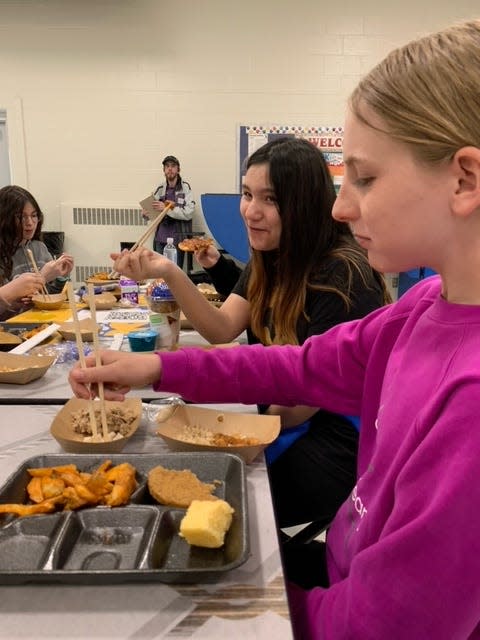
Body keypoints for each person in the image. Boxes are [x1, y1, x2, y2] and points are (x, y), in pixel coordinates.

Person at [70, 19, 480, 637]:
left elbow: (376, 626)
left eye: (366, 178)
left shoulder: (469, 397)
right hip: (341, 570)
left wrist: (238, 601)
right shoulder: (420, 307)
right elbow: (292, 365)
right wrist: (155, 367)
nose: (343, 207)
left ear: (464, 179)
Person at [81, 137, 389, 532]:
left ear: (306, 204)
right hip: (282, 410)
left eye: (270, 199)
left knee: (209, 496)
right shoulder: (270, 256)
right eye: (246, 194)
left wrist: (231, 426)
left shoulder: (343, 274)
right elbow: (221, 327)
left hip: (336, 439)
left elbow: (301, 403)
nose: (251, 211)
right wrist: (170, 272)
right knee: (170, 466)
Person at [0, 185, 74, 300]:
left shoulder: (39, 248)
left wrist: (61, 276)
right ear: (5, 219)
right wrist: (42, 277)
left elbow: (51, 296)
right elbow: (6, 308)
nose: (30, 222)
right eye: (21, 217)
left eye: (34, 215)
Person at [147, 155, 195, 268]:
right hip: (160, 239)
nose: (170, 169)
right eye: (167, 166)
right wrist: (146, 214)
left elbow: (189, 212)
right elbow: (153, 210)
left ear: (178, 169)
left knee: (175, 274)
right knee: (160, 273)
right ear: (164, 170)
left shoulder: (185, 188)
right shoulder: (160, 188)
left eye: (173, 166)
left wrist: (167, 209)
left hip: (178, 240)